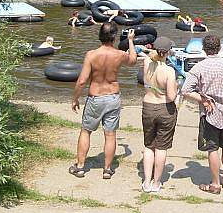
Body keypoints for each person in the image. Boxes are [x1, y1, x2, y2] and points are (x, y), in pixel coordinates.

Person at [69, 23, 137, 179]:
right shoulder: (119, 54)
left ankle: (80, 167)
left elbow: (82, 81)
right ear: (114, 37)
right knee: (110, 134)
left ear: (100, 35)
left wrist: (75, 98)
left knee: (86, 131)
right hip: (113, 96)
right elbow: (133, 60)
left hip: (96, 97)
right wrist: (131, 40)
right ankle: (107, 169)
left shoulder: (91, 55)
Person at [182, 35, 223, 194]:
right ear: (220, 48)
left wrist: (202, 98)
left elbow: (185, 91)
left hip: (209, 115)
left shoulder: (198, 68)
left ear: (204, 49)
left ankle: (215, 184)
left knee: (212, 149)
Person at [141, 37, 178, 193]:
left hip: (148, 106)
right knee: (161, 147)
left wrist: (151, 50)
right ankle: (156, 183)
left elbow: (147, 54)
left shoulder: (146, 63)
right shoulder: (169, 71)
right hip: (164, 108)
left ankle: (146, 181)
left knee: (149, 146)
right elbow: (171, 96)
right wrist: (176, 87)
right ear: (168, 52)